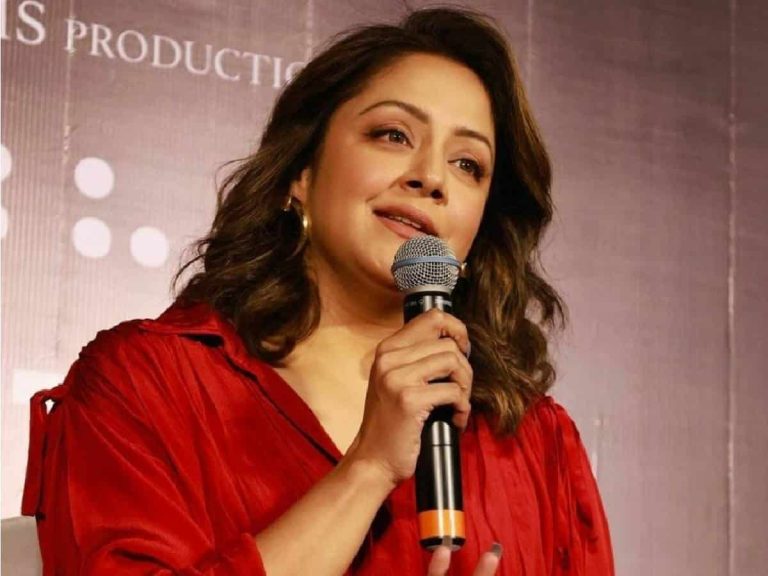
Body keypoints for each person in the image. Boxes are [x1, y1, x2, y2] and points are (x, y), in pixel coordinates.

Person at [22, 7, 614, 575]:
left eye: (468, 165)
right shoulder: (145, 384)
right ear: (299, 174)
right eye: (393, 134)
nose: (432, 177)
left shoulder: (535, 442)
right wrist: (368, 467)